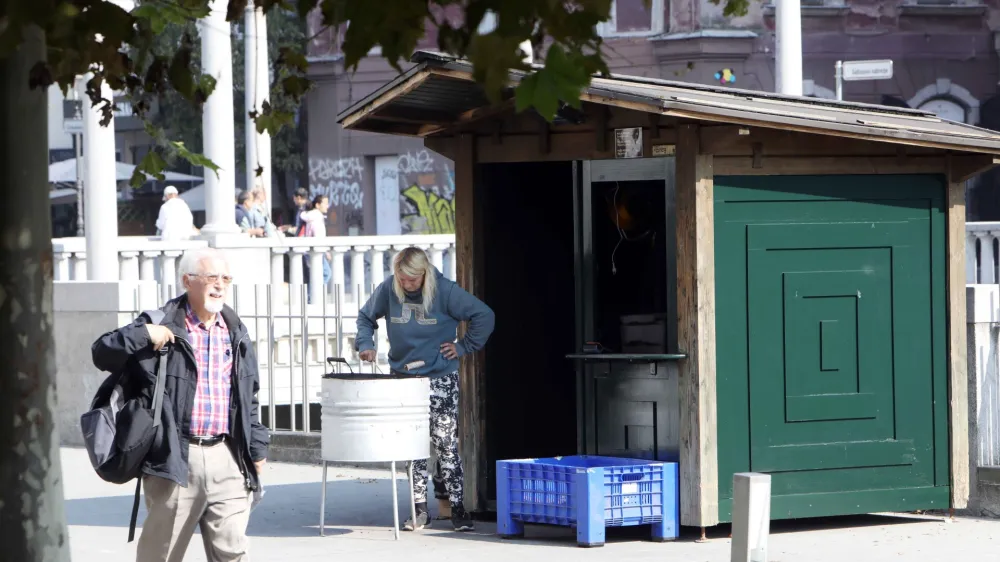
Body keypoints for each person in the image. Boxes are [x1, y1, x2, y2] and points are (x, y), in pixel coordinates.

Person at [91, 247, 270, 562]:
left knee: (233, 551)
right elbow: (102, 352)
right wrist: (144, 333)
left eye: (226, 278)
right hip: (174, 457)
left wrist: (256, 448)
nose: (220, 285)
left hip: (227, 455)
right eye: (211, 277)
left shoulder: (236, 331)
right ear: (188, 281)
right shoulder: (162, 323)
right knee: (162, 554)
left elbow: (249, 394)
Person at [355, 247, 495, 532]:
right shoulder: (388, 289)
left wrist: (463, 346)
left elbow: (484, 315)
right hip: (403, 377)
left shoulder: (446, 291)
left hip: (439, 377)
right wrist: (366, 344)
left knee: (445, 443)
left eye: (412, 280)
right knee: (411, 444)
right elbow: (366, 317)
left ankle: (458, 509)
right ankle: (419, 509)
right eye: (402, 279)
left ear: (424, 274)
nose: (406, 285)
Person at [300, 194, 332, 287]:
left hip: (310, 251)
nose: (327, 206)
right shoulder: (317, 216)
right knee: (325, 274)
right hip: (316, 250)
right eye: (325, 203)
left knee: (316, 275)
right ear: (317, 205)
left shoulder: (311, 216)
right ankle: (316, 293)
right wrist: (326, 251)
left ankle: (314, 294)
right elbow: (319, 236)